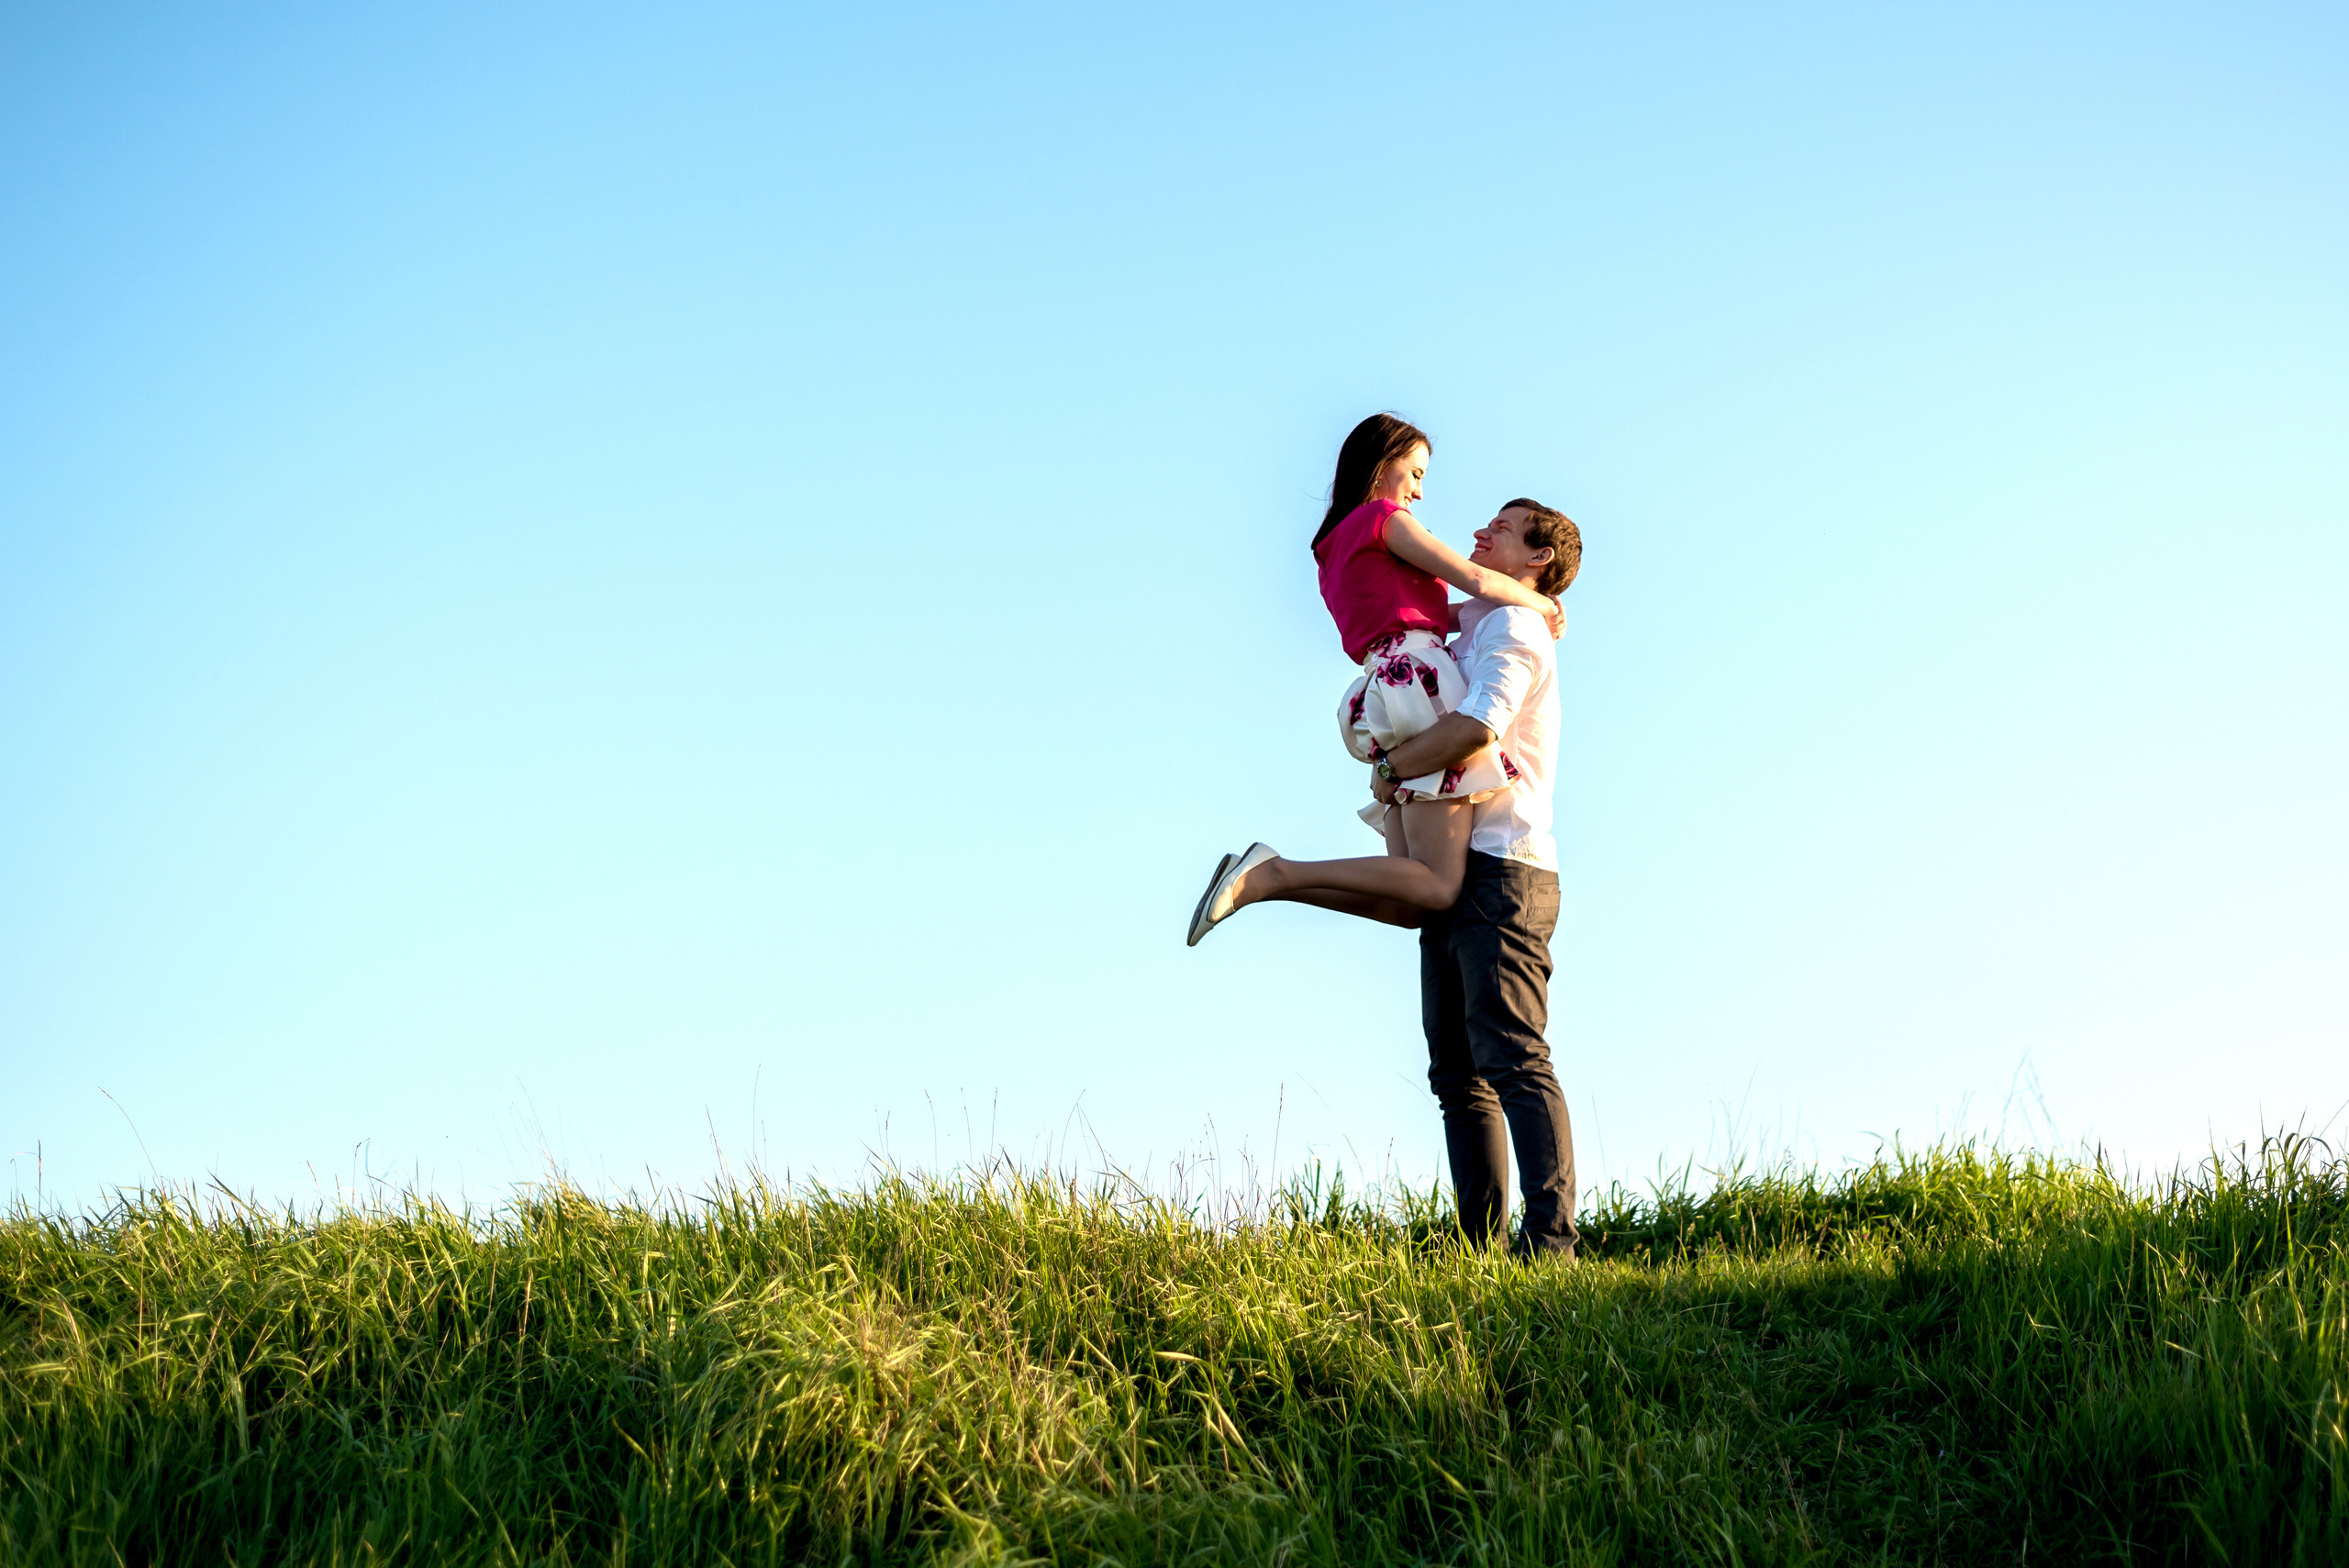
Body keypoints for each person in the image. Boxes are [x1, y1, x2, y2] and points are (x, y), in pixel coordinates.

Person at [1203, 472, 1589, 1257]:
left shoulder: (1516, 633)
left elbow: (1480, 727)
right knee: (1457, 1076)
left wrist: (1394, 767)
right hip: (1464, 864)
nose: (1481, 534)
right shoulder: (1470, 629)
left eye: (1504, 530)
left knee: (1514, 1058)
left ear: (1540, 558)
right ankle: (1480, 1250)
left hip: (1506, 870)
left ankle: (1551, 1242)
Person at [1186, 415, 1563, 944]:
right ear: (1381, 465)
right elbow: (1475, 580)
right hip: (1420, 682)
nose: (1420, 491)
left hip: (1381, 686)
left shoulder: (1331, 547)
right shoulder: (1387, 520)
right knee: (1435, 885)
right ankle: (1274, 872)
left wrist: (1500, 607)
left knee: (1409, 904)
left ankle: (1266, 884)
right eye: (1414, 473)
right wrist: (1543, 603)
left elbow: (1425, 612)